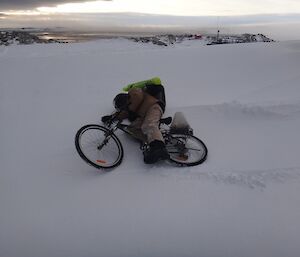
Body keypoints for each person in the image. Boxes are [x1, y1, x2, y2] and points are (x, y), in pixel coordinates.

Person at [102, 78, 169, 164]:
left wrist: (131, 111)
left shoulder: (133, 92)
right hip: (143, 115)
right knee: (132, 129)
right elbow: (123, 113)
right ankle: (152, 143)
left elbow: (138, 97)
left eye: (123, 105)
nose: (124, 108)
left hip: (153, 106)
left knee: (149, 125)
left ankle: (159, 148)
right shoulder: (128, 107)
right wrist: (112, 117)